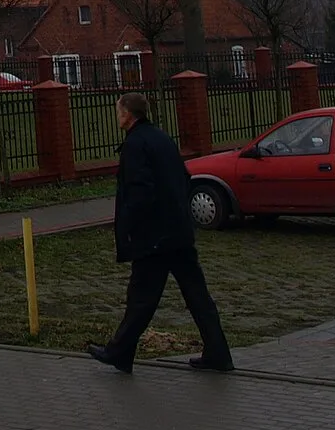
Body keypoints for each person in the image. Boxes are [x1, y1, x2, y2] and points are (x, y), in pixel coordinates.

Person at [86, 91, 234, 374]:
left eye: (119, 111)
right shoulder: (162, 138)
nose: (117, 115)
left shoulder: (135, 144)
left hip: (154, 237)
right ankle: (218, 352)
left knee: (141, 297)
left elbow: (139, 191)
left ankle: (120, 352)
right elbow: (184, 178)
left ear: (128, 114)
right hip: (178, 231)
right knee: (196, 294)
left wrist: (131, 228)